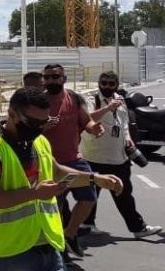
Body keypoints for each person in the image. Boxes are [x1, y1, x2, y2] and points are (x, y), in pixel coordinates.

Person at [0, 87, 123, 271]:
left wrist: (95, 179)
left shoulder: (38, 141)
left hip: (49, 245)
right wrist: (34, 194)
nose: (40, 128)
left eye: (45, 122)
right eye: (33, 123)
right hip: (11, 253)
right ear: (12, 115)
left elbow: (57, 173)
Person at [81, 71, 162, 238]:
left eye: (111, 84)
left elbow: (123, 123)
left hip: (118, 158)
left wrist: (128, 139)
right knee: (90, 196)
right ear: (99, 83)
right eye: (103, 83)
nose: (106, 87)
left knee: (124, 195)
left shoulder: (120, 99)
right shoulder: (91, 99)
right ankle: (87, 224)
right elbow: (86, 118)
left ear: (116, 85)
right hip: (94, 157)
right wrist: (108, 108)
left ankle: (138, 228)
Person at [42, 64, 104, 262]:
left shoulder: (75, 98)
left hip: (74, 160)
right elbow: (26, 129)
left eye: (55, 77)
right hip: (50, 164)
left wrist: (94, 128)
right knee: (56, 209)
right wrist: (43, 126)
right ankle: (59, 249)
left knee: (89, 198)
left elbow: (86, 121)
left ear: (64, 78)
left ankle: (70, 234)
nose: (51, 80)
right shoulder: (39, 101)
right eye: (48, 77)